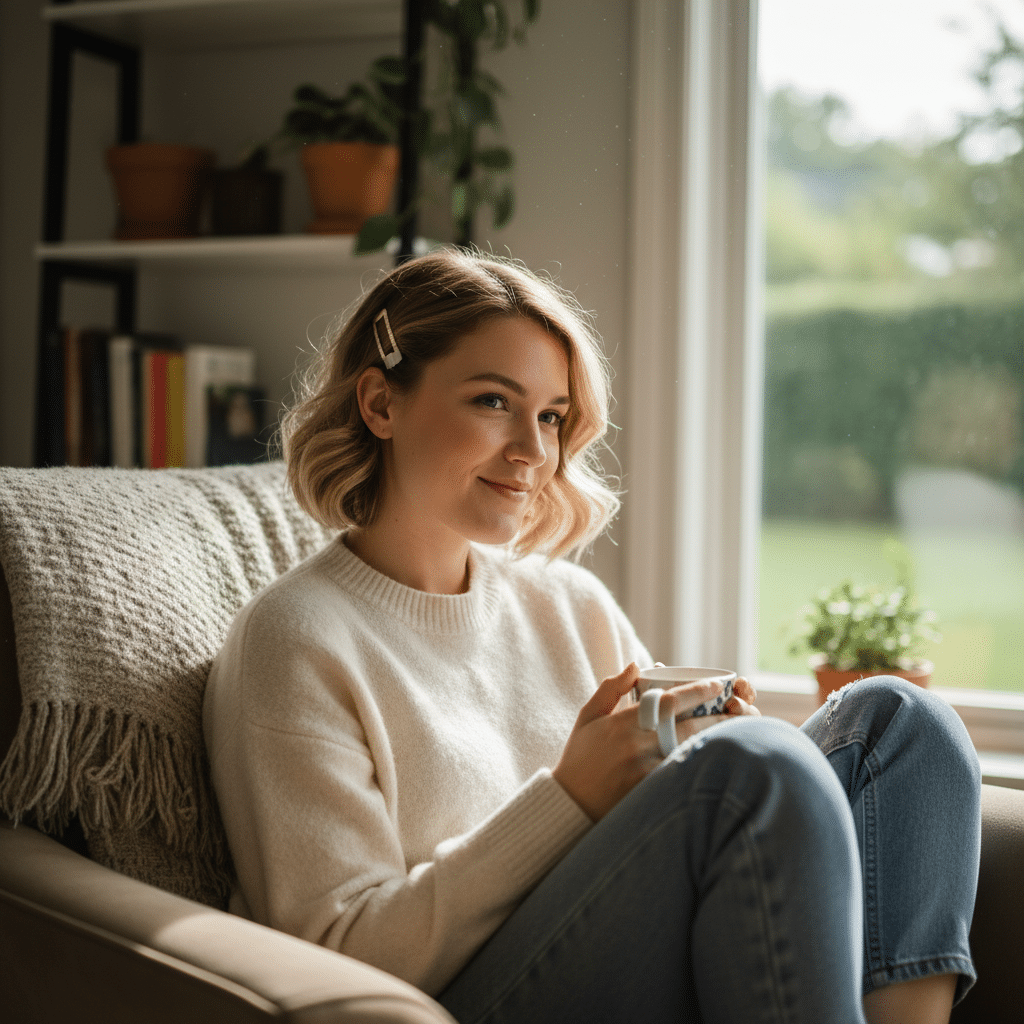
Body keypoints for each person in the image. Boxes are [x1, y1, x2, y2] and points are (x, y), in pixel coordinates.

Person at [203, 248, 981, 1024]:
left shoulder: (568, 604)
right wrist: (571, 796)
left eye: (549, 416)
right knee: (754, 766)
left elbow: (681, 813)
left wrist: (708, 754)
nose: (533, 452)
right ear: (380, 404)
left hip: (624, 957)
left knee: (901, 724)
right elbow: (335, 954)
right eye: (491, 402)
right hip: (452, 1004)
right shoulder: (297, 639)